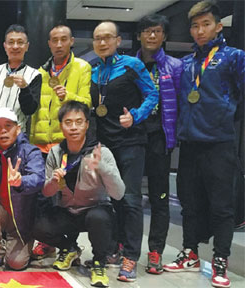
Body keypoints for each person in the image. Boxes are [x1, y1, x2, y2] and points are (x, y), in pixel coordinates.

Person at [163, 2, 244, 287]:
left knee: (222, 207)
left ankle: (221, 259)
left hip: (220, 144)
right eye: (195, 26)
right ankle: (190, 253)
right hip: (190, 145)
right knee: (190, 204)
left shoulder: (235, 57)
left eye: (206, 24)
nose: (200, 31)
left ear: (219, 26)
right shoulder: (186, 64)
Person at [90, 20, 159, 282]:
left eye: (107, 37)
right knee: (113, 200)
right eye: (97, 38)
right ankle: (115, 249)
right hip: (106, 145)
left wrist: (137, 116)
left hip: (131, 142)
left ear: (118, 40)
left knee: (130, 200)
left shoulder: (132, 65)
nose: (102, 42)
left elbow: (152, 94)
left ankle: (131, 255)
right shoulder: (95, 71)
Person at [33, 101, 124, 288]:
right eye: (68, 122)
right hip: (67, 212)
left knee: (99, 217)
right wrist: (53, 182)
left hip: (95, 211)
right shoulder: (56, 153)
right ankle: (69, 248)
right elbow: (46, 191)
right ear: (61, 126)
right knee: (35, 224)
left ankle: (99, 262)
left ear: (87, 124)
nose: (73, 127)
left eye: (79, 122)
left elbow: (119, 194)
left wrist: (103, 168)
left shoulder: (101, 152)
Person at [29, 23, 92, 261]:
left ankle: (70, 245)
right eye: (54, 40)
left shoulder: (82, 67)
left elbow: (87, 103)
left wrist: (69, 96)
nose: (58, 44)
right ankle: (50, 243)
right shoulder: (41, 72)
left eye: (63, 39)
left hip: (66, 143)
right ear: (48, 43)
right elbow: (36, 110)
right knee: (43, 199)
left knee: (66, 199)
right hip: (40, 143)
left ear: (71, 41)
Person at [135, 14, 182, 275]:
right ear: (139, 35)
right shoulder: (129, 65)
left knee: (159, 198)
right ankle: (124, 245)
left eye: (157, 31)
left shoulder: (175, 67)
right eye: (147, 31)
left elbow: (183, 104)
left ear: (163, 36)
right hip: (132, 139)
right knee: (128, 196)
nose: (152, 36)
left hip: (160, 140)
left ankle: (155, 250)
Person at [0, 107, 45, 271]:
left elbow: (39, 179)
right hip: (1, 213)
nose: (3, 131)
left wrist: (21, 182)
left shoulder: (30, 151)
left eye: (8, 126)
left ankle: (21, 242)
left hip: (23, 217)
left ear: (18, 129)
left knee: (15, 263)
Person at [0, 24, 40, 145]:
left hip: (16, 136)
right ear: (5, 46)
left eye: (20, 42)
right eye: (11, 42)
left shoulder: (34, 74)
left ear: (27, 46)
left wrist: (25, 88)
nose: (15, 46)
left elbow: (30, 110)